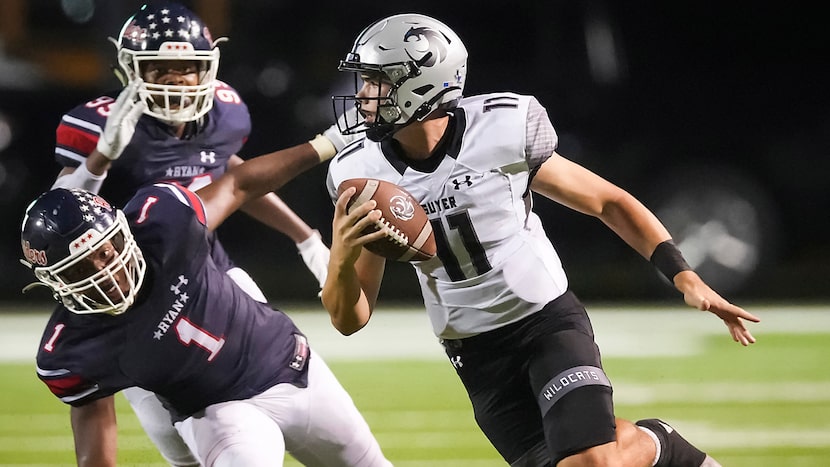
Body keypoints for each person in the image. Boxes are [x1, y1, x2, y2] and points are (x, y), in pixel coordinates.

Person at [322, 13, 760, 467]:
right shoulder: (362, 176)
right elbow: (350, 319)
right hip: (475, 353)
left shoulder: (501, 131)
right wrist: (343, 257)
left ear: (422, 83)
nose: (363, 94)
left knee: (589, 462)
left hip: (546, 321)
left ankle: (659, 446)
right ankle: (654, 443)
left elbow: (607, 202)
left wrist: (683, 274)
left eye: (377, 80)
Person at [48, 3, 354, 464]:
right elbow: (62, 209)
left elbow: (232, 179)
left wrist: (305, 236)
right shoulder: (95, 124)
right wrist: (101, 159)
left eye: (188, 68)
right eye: (159, 68)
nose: (175, 79)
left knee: (272, 361)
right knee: (180, 445)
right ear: (129, 67)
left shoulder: (225, 114)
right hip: (129, 301)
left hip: (207, 272)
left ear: (208, 67)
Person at [20, 135, 391, 466]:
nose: (106, 270)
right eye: (80, 268)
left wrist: (326, 143)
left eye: (106, 251)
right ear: (54, 281)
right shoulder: (72, 348)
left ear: (124, 231)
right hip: (218, 414)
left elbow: (239, 184)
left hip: (291, 364)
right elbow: (97, 452)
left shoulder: (162, 225)